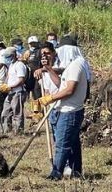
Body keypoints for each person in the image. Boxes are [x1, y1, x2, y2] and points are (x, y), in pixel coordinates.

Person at [37, 41, 89, 179]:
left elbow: (69, 90)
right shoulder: (72, 66)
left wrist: (50, 98)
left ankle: (56, 173)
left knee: (62, 145)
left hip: (69, 112)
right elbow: (61, 85)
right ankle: (76, 172)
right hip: (67, 110)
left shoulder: (76, 66)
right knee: (72, 144)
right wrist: (48, 68)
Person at [0, 46, 29, 135]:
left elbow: (21, 80)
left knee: (17, 113)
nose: (6, 58)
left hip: (17, 92)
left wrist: (11, 87)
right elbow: (8, 77)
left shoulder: (20, 65)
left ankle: (18, 132)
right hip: (10, 92)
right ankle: (6, 131)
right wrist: (4, 85)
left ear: (13, 55)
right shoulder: (11, 65)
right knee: (5, 112)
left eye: (8, 56)